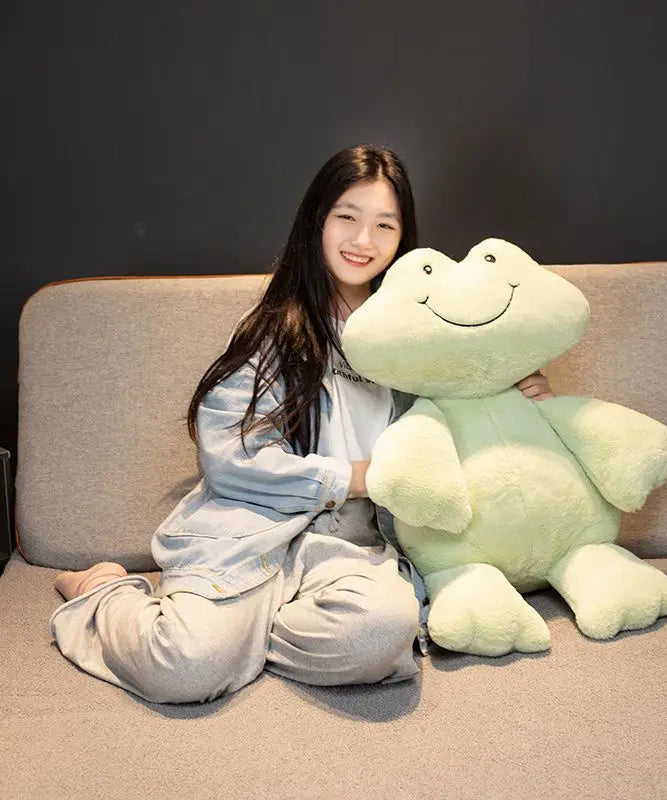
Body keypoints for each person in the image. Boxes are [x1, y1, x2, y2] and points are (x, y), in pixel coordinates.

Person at [49, 144, 555, 704]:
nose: (363, 240)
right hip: (251, 536)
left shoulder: (422, 339)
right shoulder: (273, 328)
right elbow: (232, 459)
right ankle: (105, 591)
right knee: (183, 669)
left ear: (402, 238)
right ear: (317, 219)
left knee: (383, 629)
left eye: (384, 225)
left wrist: (517, 396)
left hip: (351, 548)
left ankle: (235, 645)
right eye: (347, 217)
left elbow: (458, 429)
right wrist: (353, 477)